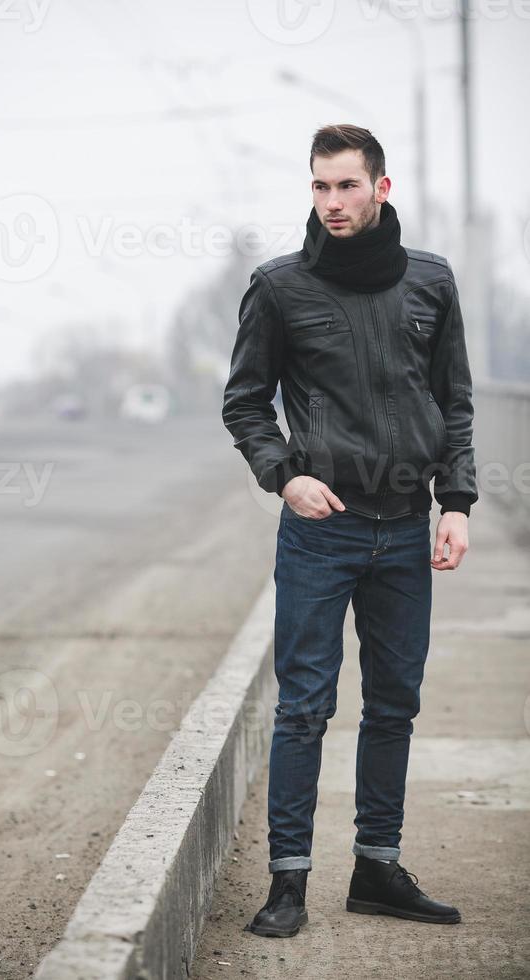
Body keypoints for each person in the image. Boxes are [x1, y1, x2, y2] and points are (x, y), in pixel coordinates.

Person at [222, 124, 477, 938]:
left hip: (406, 529)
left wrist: (458, 504)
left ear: (381, 188)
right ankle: (287, 882)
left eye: (347, 186)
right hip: (321, 531)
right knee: (304, 706)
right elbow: (245, 400)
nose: (332, 202)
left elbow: (456, 401)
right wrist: (285, 475)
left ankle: (377, 866)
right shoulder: (279, 287)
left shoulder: (432, 283)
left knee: (394, 704)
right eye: (319, 187)